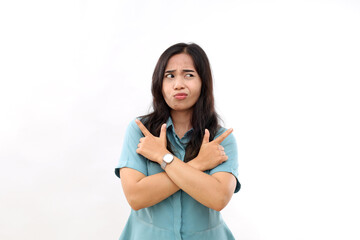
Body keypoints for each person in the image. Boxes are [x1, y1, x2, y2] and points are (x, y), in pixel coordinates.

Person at [115, 42, 241, 240]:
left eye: (189, 75)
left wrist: (161, 157)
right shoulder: (141, 132)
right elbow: (136, 197)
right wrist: (199, 164)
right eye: (170, 75)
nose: (178, 84)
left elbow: (218, 198)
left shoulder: (220, 139)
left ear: (203, 82)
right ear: (159, 83)